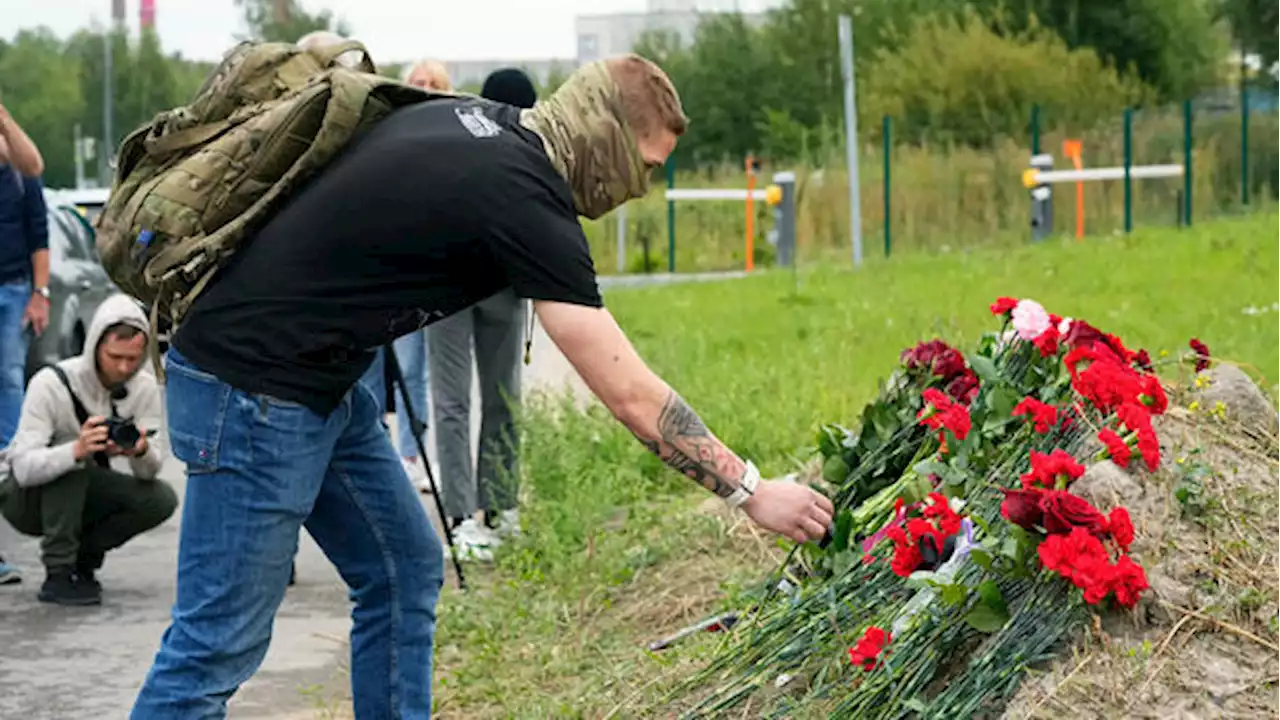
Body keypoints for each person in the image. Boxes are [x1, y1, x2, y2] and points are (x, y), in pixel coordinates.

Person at [130, 54, 833, 719]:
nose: (639, 189)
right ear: (608, 138)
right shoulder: (524, 198)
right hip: (251, 388)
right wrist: (751, 490)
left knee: (404, 564)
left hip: (316, 383)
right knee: (217, 642)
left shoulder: (486, 127)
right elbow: (629, 394)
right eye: (643, 166)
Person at [0, 294, 178, 605]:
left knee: (160, 499)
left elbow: (151, 470)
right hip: (21, 499)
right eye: (115, 357)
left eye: (133, 359)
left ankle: (84, 562)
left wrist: (139, 451)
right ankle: (58, 572)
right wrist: (77, 449)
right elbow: (23, 468)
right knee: (72, 460)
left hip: (80, 489)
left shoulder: (144, 388)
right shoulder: (51, 383)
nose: (124, 367)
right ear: (95, 346)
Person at [430, 67, 539, 561]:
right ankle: (460, 516)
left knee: (503, 399)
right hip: (450, 289)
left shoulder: (531, 150)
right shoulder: (456, 145)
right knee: (454, 402)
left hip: (503, 288)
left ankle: (498, 506)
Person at [0, 103, 50, 589]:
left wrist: (41, 292)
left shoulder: (19, 168)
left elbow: (40, 233)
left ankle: (15, 451)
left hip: (12, 286)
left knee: (9, 375)